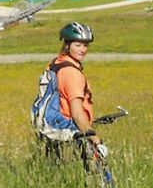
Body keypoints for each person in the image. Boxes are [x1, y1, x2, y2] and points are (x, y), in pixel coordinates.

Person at [46, 22, 107, 160]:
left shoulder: (56, 63)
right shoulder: (72, 73)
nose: (83, 50)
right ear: (67, 45)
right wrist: (96, 140)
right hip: (73, 131)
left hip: (54, 129)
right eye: (77, 45)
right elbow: (77, 113)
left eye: (85, 45)